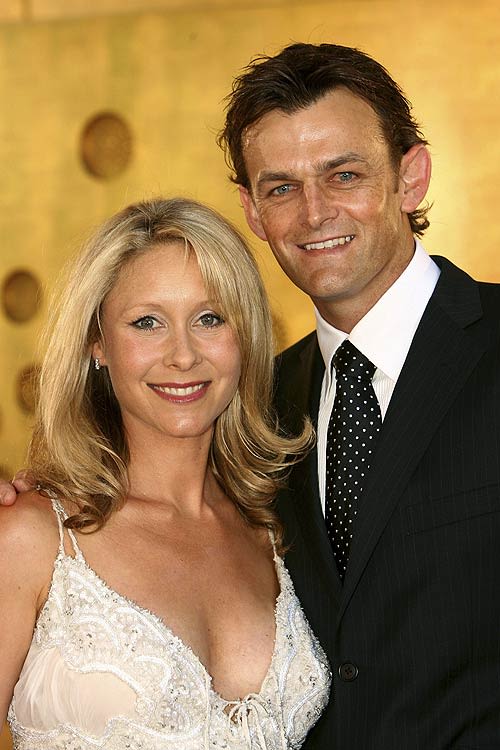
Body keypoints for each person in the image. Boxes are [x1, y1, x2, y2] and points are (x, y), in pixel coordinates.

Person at [215, 43, 500, 748]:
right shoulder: (253, 406)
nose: (314, 213)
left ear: (411, 176)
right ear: (252, 211)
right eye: (281, 188)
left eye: (344, 175)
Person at [0, 196, 331, 749]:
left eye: (209, 318)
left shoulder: (278, 525)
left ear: (243, 336)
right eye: (147, 322)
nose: (182, 355)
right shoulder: (32, 535)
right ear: (97, 343)